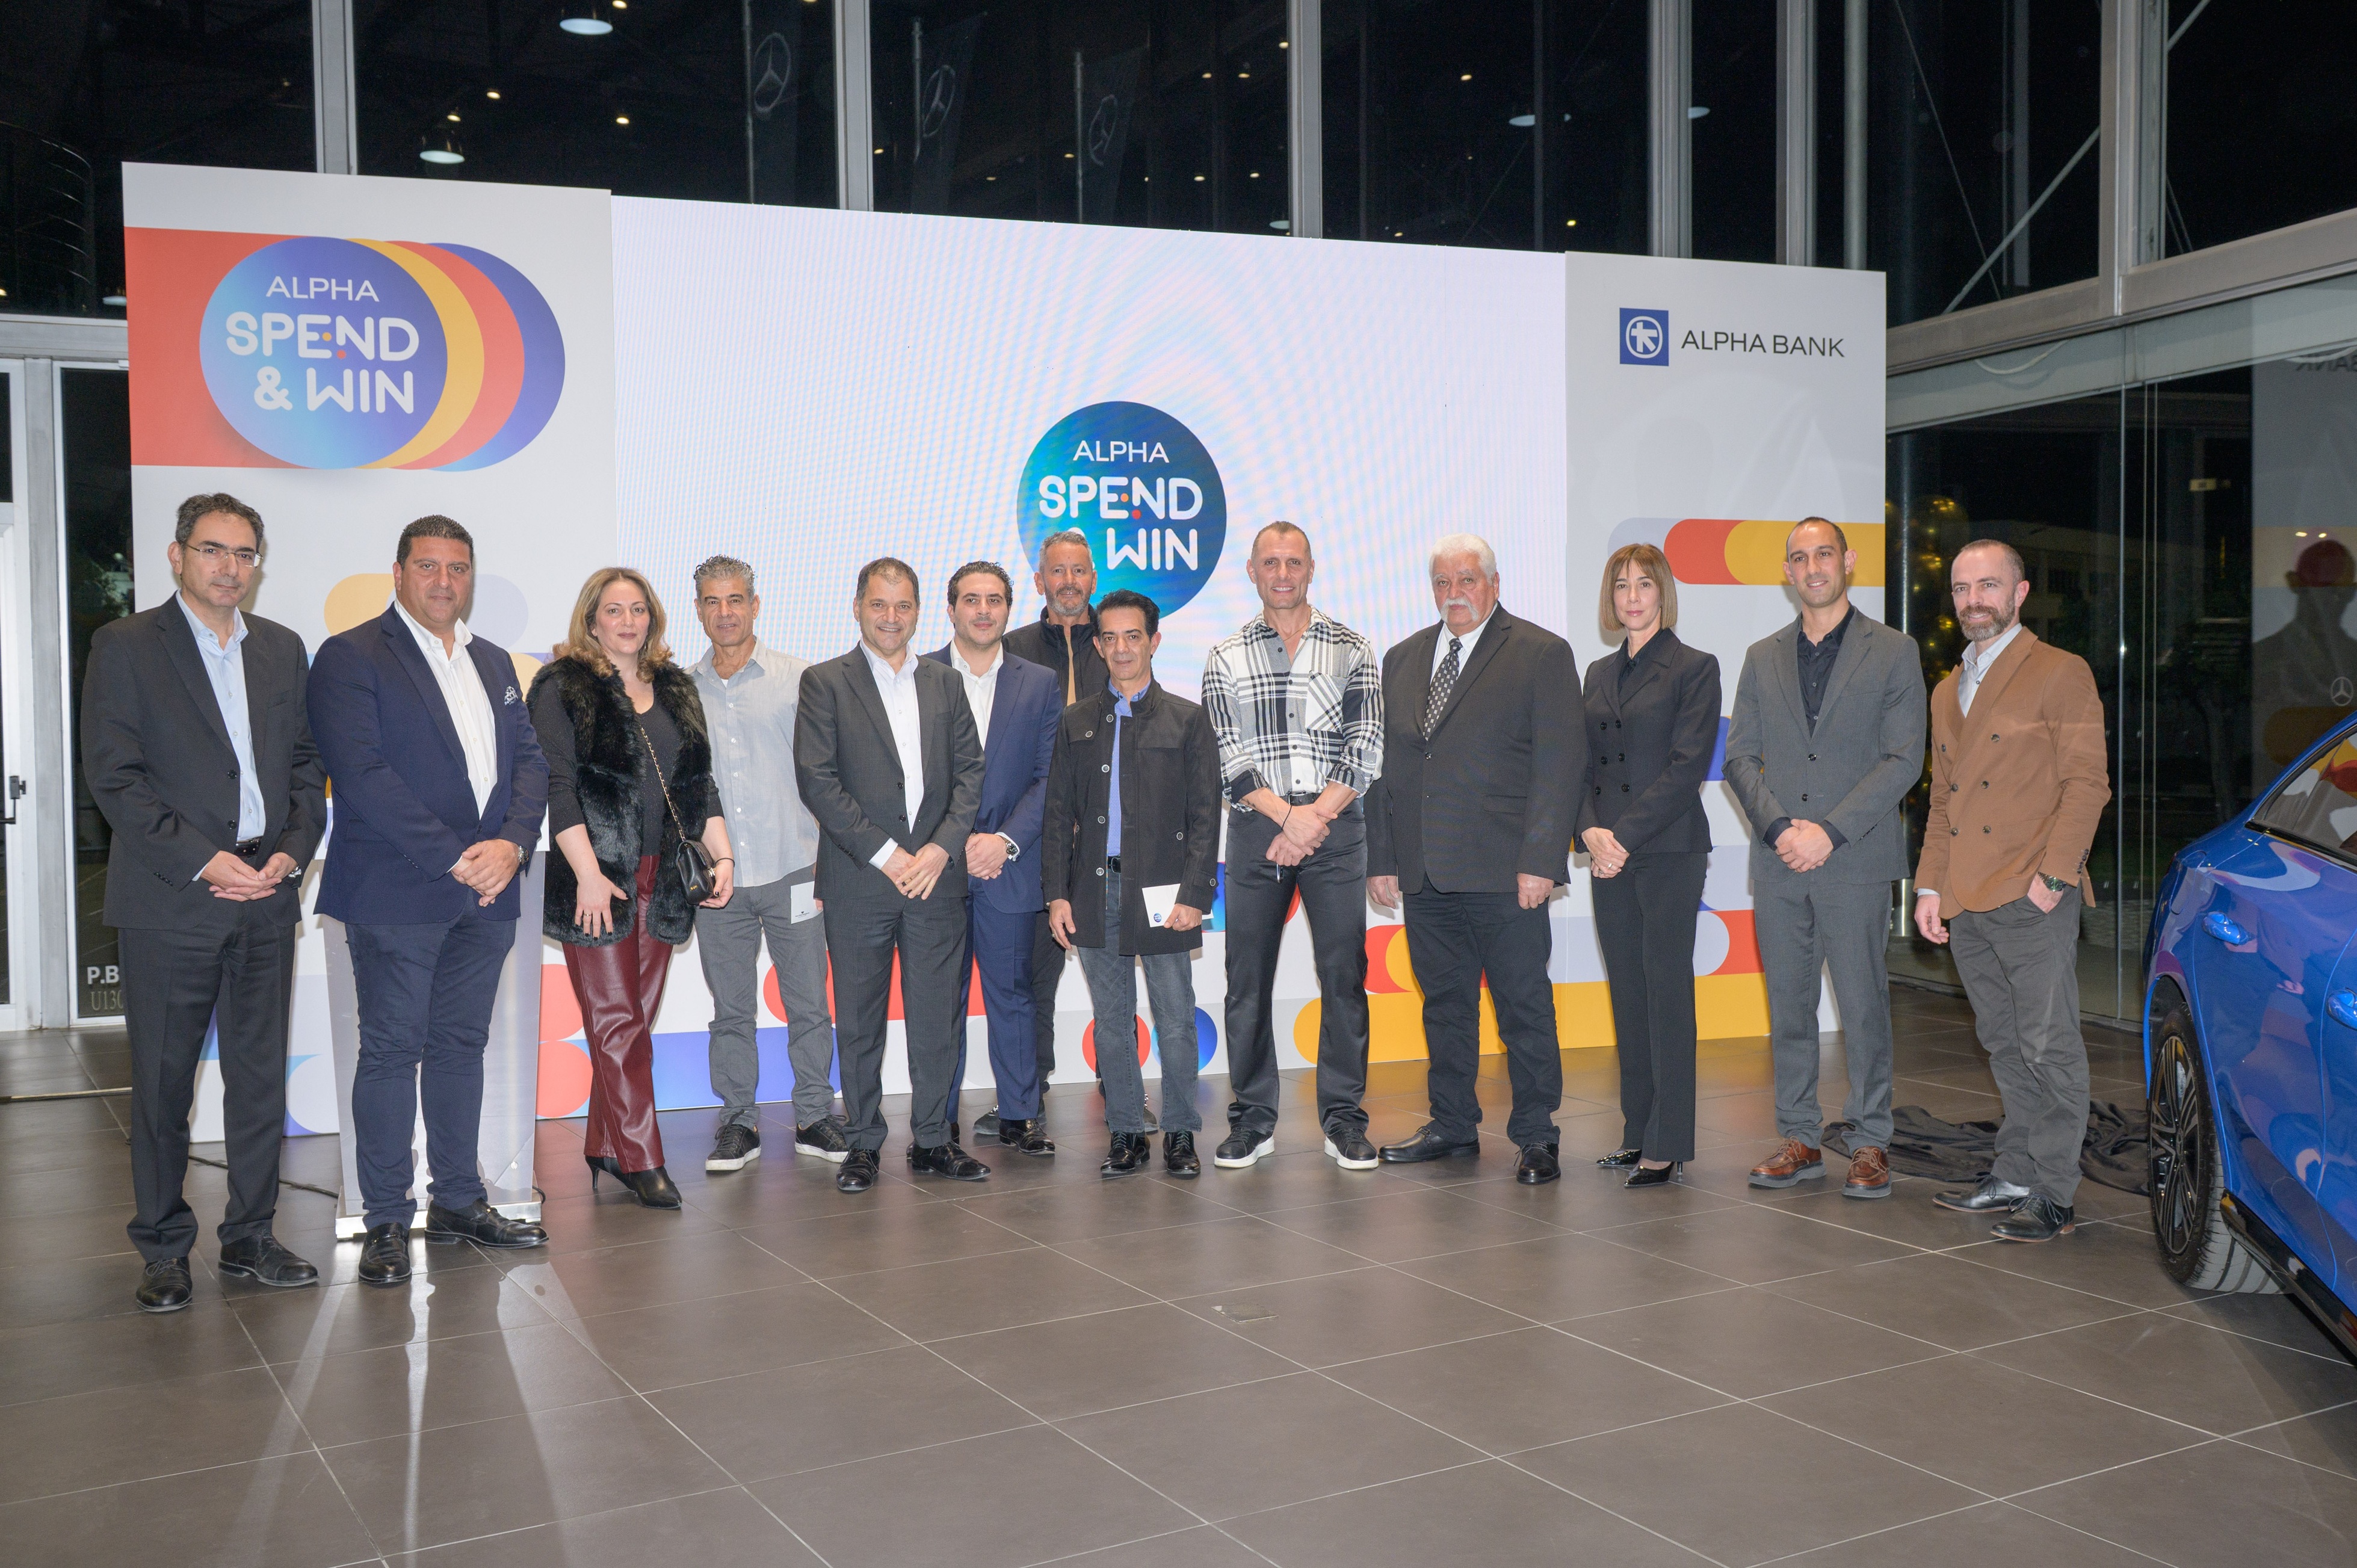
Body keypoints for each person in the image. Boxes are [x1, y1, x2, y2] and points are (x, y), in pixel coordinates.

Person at [83, 493, 327, 1312]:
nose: (230, 567)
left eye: (245, 553)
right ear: (177, 554)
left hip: (266, 893)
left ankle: (251, 1236)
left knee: (259, 1081)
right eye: (214, 550)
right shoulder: (125, 646)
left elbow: (306, 766)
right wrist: (203, 859)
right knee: (164, 1086)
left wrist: (291, 850)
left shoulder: (282, 648)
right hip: (172, 900)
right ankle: (163, 1245)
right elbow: (114, 775)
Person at [309, 516, 552, 1287]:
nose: (444, 581)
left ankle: (457, 1199)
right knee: (390, 1051)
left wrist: (512, 845)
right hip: (397, 891)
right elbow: (362, 774)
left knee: (461, 1047)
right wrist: (458, 857)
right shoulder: (351, 655)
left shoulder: (494, 661)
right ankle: (386, 1217)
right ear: (398, 572)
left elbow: (530, 762)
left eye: (457, 568)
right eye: (427, 566)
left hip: (489, 890)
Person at [1367, 534, 1584, 1184]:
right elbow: (1387, 766)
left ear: (1493, 583)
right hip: (1424, 872)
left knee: (1523, 1006)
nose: (1453, 592)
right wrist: (1383, 856)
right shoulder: (1403, 657)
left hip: (1505, 871)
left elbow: (1559, 765)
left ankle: (1536, 1133)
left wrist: (1541, 859)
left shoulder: (1541, 652)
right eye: (1442, 581)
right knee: (1444, 1005)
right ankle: (1452, 1123)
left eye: (1466, 578)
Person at [1723, 518, 1926, 1199]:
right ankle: (1799, 1137)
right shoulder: (1761, 656)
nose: (1813, 567)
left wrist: (1829, 832)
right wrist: (1780, 827)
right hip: (1779, 860)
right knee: (1788, 1008)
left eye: (1824, 554)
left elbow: (1902, 759)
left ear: (1848, 562)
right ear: (1786, 571)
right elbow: (1739, 756)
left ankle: (1869, 1141)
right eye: (1800, 557)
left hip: (1855, 860)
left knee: (1863, 1008)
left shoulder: (1893, 651)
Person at [1916, 539, 2111, 1242]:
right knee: (2002, 1043)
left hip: (2031, 892)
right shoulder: (1946, 690)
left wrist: (2054, 876)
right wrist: (1928, 885)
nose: (1974, 599)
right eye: (1962, 587)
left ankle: (2053, 1191)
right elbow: (1944, 799)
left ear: (2019, 592)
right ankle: (2016, 1171)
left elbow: (2086, 782)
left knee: (2047, 1045)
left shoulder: (2059, 671)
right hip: (1966, 896)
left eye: (1988, 585)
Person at [530, 568, 735, 1211]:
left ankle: (606, 1144)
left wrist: (723, 854)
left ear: (653, 618)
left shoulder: (675, 686)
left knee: (633, 1023)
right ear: (591, 619)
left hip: (664, 878)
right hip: (597, 880)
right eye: (614, 610)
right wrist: (588, 875)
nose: (628, 621)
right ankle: (645, 1159)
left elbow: (699, 784)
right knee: (617, 1022)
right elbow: (556, 786)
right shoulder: (562, 686)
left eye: (638, 609)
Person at [795, 558, 987, 1194]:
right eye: (878, 604)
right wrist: (886, 854)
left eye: (903, 605)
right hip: (861, 879)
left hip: (935, 879)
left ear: (918, 612)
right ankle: (863, 1142)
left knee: (938, 1018)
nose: (890, 617)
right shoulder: (825, 682)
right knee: (858, 1021)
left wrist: (939, 850)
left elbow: (970, 774)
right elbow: (817, 780)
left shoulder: (945, 682)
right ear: (857, 607)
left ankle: (933, 1140)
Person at [1200, 522, 1385, 1170]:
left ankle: (1344, 1120)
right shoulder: (1225, 655)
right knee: (1245, 980)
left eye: (1293, 562)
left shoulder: (1353, 648)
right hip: (1259, 827)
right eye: (1271, 563)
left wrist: (1314, 818)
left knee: (1343, 976)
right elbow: (1226, 755)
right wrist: (1287, 818)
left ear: (1311, 569)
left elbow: (1366, 746)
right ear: (1252, 572)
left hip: (1336, 827)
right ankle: (1253, 1120)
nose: (1282, 574)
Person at [1042, 590, 1222, 1177]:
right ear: (1097, 645)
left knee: (1175, 1016)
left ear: (1154, 641)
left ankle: (1180, 1133)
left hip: (1166, 894)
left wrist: (1195, 895)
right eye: (1110, 637)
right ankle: (1125, 1133)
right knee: (1112, 1019)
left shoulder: (1187, 719)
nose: (1121, 648)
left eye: (1133, 636)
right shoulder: (1074, 722)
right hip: (1094, 892)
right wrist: (1056, 893)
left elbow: (1205, 816)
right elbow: (1056, 815)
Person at [688, 557, 848, 1171]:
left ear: (755, 605)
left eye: (735, 599)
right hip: (718, 879)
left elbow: (828, 775)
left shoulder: (801, 679)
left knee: (808, 1003)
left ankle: (814, 1115)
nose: (724, 612)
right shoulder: (680, 691)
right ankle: (738, 1122)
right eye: (712, 601)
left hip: (795, 868)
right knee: (730, 1011)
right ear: (698, 609)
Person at [1577, 544, 1722, 1189]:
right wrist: (1588, 830)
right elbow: (1578, 764)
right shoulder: (1596, 672)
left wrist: (1620, 838)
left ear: (1662, 591)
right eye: (1620, 585)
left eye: (1642, 583)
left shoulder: (1693, 667)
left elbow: (1686, 768)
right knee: (1628, 993)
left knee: (1665, 993)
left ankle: (1668, 1143)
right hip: (1607, 852)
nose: (1631, 596)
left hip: (1666, 850)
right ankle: (1637, 1131)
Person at [923, 561, 1061, 1157]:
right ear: (950, 608)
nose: (983, 610)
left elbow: (1049, 776)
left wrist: (1002, 841)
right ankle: (937, 1120)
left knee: (1012, 993)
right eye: (971, 600)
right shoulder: (919, 675)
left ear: (1008, 607)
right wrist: (952, 842)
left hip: (1009, 864)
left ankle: (1020, 1115)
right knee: (940, 1000)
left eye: (995, 600)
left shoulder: (1040, 682)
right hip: (936, 868)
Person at [1000, 528, 1119, 1128]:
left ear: (1092, 578)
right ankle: (1028, 1099)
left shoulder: (1117, 640)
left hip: (1109, 840)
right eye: (1057, 571)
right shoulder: (1012, 648)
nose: (1068, 582)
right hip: (1035, 842)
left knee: (1115, 977)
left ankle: (1123, 1092)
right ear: (1039, 579)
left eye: (1078, 571)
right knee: (1031, 978)